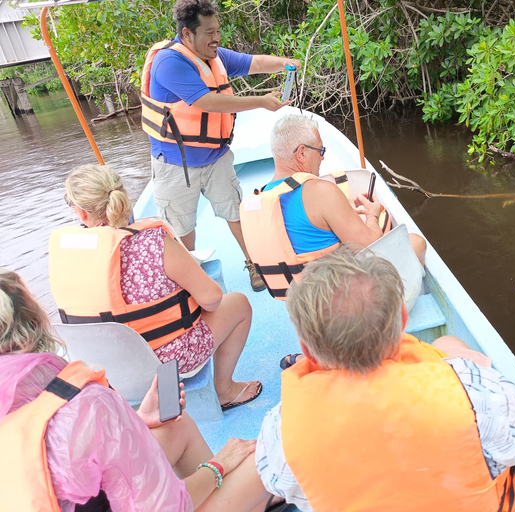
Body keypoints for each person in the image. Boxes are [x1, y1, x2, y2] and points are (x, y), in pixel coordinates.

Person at [255, 245, 515, 512]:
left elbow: (281, 484)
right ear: (403, 318)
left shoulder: (281, 427)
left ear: (307, 349)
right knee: (451, 347)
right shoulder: (471, 391)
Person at [0, 268, 277, 512]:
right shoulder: (85, 404)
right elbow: (165, 506)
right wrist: (219, 466)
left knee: (177, 426)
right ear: (35, 322)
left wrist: (135, 423)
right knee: (262, 460)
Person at [49, 164, 261, 410]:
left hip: (104, 371)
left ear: (82, 214)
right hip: (166, 368)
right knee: (238, 303)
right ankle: (224, 390)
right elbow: (212, 299)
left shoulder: (67, 255)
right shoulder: (154, 243)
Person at [141, 0, 302, 292]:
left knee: (235, 212)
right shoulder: (169, 62)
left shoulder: (212, 55)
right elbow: (207, 102)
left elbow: (251, 63)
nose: (216, 38)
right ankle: (191, 281)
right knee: (182, 229)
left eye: (217, 31)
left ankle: (255, 264)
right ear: (188, 34)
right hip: (178, 165)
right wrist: (262, 102)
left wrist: (284, 64)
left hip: (216, 155)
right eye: (209, 32)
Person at [239, 115, 427, 299]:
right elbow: (370, 245)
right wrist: (372, 215)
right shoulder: (320, 191)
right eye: (321, 151)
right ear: (302, 153)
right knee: (416, 242)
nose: (322, 158)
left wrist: (342, 212)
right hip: (343, 300)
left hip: (305, 307)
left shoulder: (254, 203)